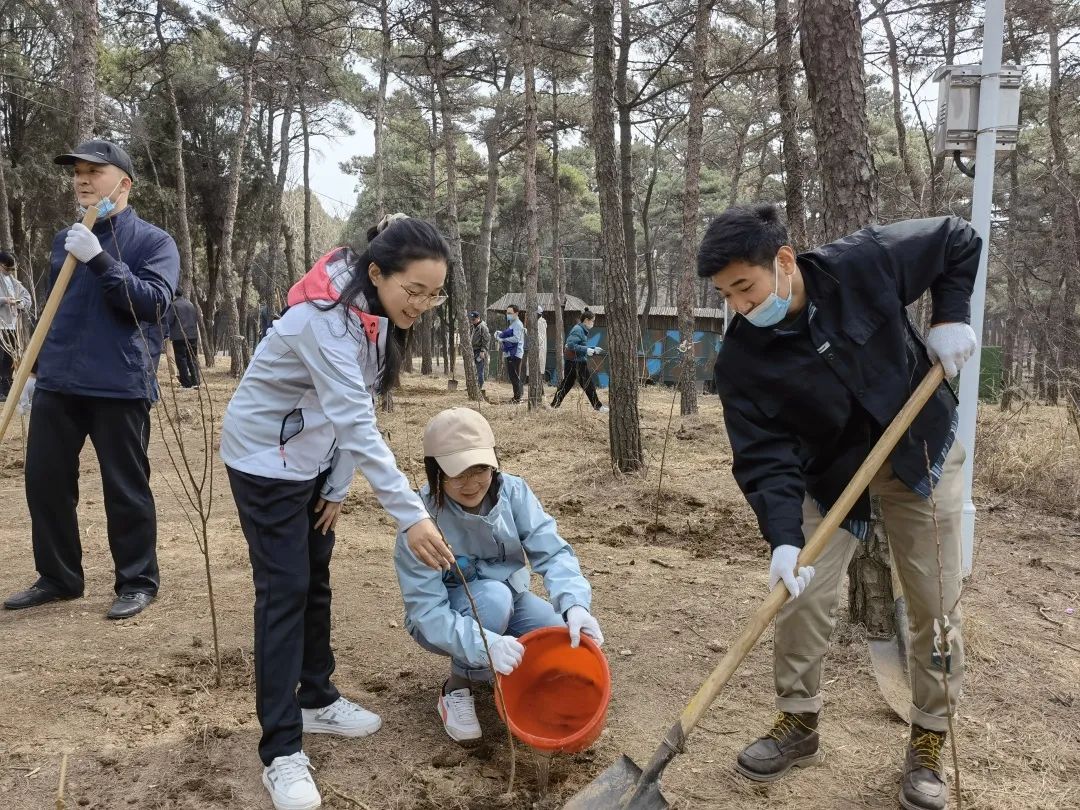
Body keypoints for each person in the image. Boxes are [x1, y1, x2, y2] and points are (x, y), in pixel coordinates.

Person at [698, 203, 979, 810]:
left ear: (783, 260)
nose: (741, 306)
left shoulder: (863, 263)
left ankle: (929, 735)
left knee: (935, 603)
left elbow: (957, 237)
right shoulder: (743, 358)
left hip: (918, 449)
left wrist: (951, 317)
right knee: (801, 594)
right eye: (727, 296)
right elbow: (763, 453)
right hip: (829, 476)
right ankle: (798, 721)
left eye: (745, 287)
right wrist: (782, 538)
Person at [220, 214, 457, 810]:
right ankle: (281, 751)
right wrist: (412, 515)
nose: (423, 305)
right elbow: (355, 419)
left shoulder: (369, 315)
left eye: (435, 295)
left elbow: (357, 408)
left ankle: (316, 696)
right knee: (284, 591)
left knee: (315, 580)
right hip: (265, 460)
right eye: (415, 291)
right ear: (377, 273)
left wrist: (339, 484)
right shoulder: (320, 323)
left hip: (315, 461)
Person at [4, 140, 180, 620]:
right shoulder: (65, 239)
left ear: (124, 183)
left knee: (124, 486)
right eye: (77, 172)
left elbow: (151, 304)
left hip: (118, 382)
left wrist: (101, 258)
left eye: (93, 172)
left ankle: (138, 581)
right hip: (59, 382)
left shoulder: (154, 242)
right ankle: (59, 577)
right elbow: (53, 308)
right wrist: (37, 362)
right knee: (45, 481)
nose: (82, 180)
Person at [395, 407, 603, 744]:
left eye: (480, 469)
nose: (471, 483)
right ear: (435, 471)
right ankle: (457, 687)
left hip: (511, 598)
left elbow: (551, 551)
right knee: (493, 600)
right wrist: (485, 645)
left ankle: (500, 675)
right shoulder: (420, 521)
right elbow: (427, 610)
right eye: (457, 473)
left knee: (556, 635)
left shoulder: (514, 493)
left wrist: (575, 604)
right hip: (444, 617)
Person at [551, 308, 607, 412]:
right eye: (593, 321)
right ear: (586, 320)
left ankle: (554, 405)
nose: (593, 323)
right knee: (588, 385)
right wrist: (587, 349)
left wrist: (593, 348)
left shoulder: (581, 330)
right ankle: (598, 407)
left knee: (566, 385)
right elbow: (571, 345)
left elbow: (579, 345)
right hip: (576, 362)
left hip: (574, 361)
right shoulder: (578, 329)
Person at [0, 250, 32, 401]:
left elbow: (27, 298)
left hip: (11, 327)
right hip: (1, 324)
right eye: (7, 269)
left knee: (8, 359)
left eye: (12, 269)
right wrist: (5, 300)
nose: (10, 272)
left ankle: (6, 387)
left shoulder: (14, 282)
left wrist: (21, 303)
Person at [167, 291, 201, 388]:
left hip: (179, 336)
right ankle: (196, 381)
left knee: (181, 359)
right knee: (193, 358)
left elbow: (169, 320)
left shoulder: (174, 305)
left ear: (174, 294)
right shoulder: (190, 304)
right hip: (193, 335)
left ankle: (186, 383)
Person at [495, 304, 524, 403]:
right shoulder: (513, 323)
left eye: (510, 313)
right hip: (510, 353)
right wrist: (501, 334)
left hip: (515, 354)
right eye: (507, 313)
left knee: (514, 376)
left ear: (516, 313)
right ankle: (517, 396)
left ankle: (517, 398)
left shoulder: (518, 324)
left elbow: (516, 339)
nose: (508, 315)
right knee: (513, 376)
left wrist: (502, 339)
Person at [469, 310, 490, 390]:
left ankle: (479, 387)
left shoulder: (483, 327)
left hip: (479, 351)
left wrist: (482, 351)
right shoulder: (474, 327)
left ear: (478, 318)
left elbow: (486, 340)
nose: (472, 321)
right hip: (473, 351)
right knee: (473, 371)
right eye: (471, 319)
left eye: (474, 319)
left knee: (479, 370)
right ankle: (474, 387)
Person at [534, 305, 548, 386]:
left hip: (540, 348)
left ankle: (540, 390)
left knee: (539, 369)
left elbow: (540, 337)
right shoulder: (538, 322)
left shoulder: (540, 323)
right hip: (537, 348)